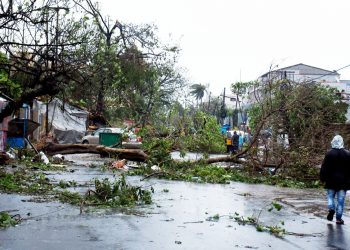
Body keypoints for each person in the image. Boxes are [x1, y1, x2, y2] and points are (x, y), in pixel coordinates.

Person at [320, 135, 350, 225]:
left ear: (333, 141)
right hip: (343, 182)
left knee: (330, 197)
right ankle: (338, 219)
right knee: (341, 201)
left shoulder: (329, 153)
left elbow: (324, 167)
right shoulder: (348, 154)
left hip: (331, 181)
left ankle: (331, 208)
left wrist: (322, 178)